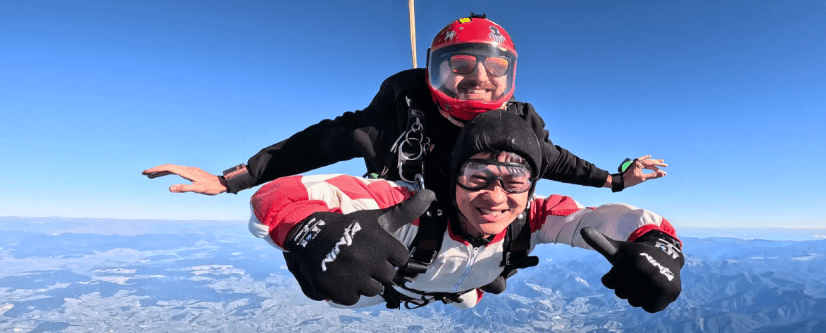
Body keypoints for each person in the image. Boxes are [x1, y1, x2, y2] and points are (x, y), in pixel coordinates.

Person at [142, 13, 667, 212]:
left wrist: (618, 180)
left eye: (492, 70)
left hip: (475, 235)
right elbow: (315, 143)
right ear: (433, 72)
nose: (478, 81)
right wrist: (230, 179)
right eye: (459, 68)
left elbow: (556, 162)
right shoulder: (395, 118)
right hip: (402, 228)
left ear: (510, 77)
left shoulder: (521, 127)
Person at [248, 109, 684, 313]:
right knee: (345, 301)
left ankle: (465, 288)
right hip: (387, 287)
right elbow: (282, 194)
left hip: (463, 287)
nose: (496, 198)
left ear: (531, 185)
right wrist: (312, 229)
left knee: (472, 297)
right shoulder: (407, 205)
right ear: (453, 177)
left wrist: (660, 245)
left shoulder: (532, 217)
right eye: (478, 177)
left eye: (514, 182)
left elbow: (606, 219)